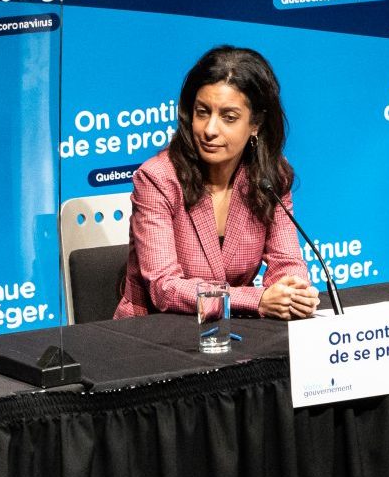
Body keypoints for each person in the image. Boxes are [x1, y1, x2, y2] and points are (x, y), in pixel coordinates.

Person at [115, 46, 320, 320]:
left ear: (255, 124)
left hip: (235, 333)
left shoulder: (270, 177)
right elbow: (165, 288)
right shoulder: (158, 179)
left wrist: (293, 290)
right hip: (155, 334)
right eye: (202, 112)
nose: (210, 130)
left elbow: (287, 261)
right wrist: (257, 299)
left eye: (228, 117)